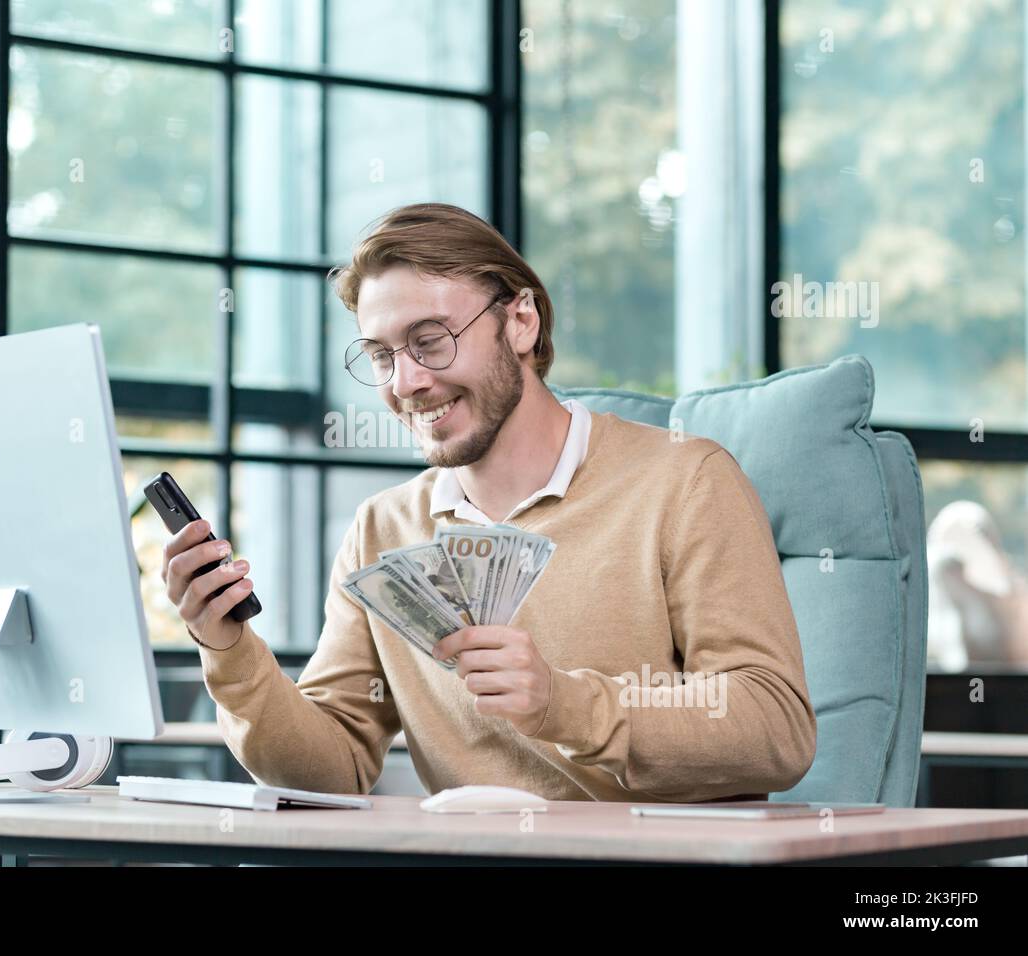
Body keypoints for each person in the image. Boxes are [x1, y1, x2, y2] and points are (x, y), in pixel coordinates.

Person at [161, 202, 816, 802]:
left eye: (431, 340)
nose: (408, 382)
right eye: (382, 355)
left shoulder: (686, 482)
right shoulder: (384, 528)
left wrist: (567, 705)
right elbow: (332, 769)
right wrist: (230, 651)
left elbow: (776, 731)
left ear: (521, 321)